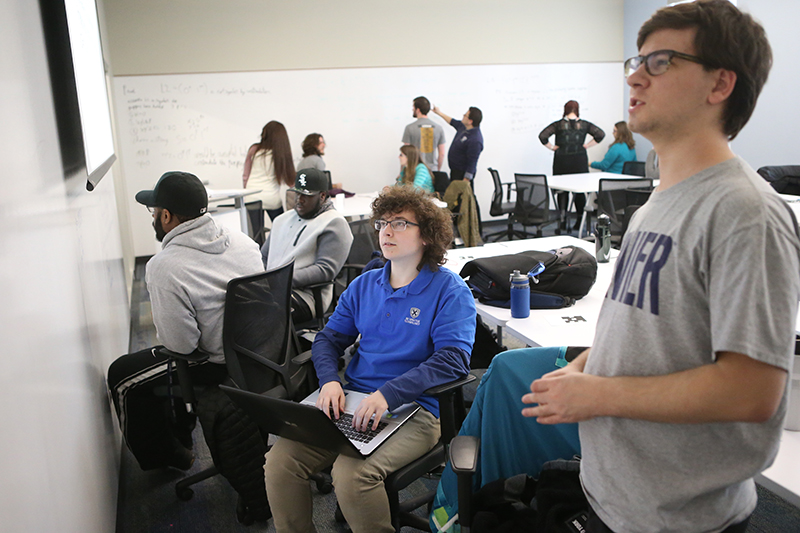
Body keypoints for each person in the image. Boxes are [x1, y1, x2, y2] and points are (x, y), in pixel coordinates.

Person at [522, 2, 800, 533]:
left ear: (719, 84)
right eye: (637, 60)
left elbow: (752, 391)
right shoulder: (656, 204)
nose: (634, 75)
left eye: (660, 62)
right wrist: (581, 371)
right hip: (616, 495)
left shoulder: (745, 211)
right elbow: (646, 331)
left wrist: (597, 393)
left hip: (678, 519)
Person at [264, 186, 476, 533]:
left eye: (401, 224)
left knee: (352, 475)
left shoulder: (449, 291)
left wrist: (388, 395)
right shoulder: (364, 285)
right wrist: (330, 381)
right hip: (352, 400)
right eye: (382, 223)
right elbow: (328, 340)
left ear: (427, 236)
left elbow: (452, 361)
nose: (387, 231)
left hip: (416, 410)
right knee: (280, 462)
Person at [107, 171, 264, 470]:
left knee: (123, 376)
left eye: (153, 211)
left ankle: (168, 457)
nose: (153, 217)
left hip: (217, 363)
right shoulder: (244, 242)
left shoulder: (164, 266)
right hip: (260, 353)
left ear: (166, 216)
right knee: (155, 366)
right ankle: (181, 429)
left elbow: (181, 344)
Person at [261, 168, 353, 324]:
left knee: (260, 311)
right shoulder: (281, 220)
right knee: (236, 301)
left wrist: (282, 280)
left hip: (305, 296)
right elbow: (263, 257)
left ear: (322, 196)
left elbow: (325, 270)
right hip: (271, 288)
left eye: (306, 196)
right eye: (298, 193)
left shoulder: (334, 223)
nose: (299, 199)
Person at [539, 101, 605, 229]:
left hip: (561, 161)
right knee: (579, 192)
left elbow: (543, 136)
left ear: (565, 109)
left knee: (562, 191)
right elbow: (600, 134)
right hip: (579, 161)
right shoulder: (585, 125)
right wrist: (587, 145)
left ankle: (562, 221)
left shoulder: (558, 125)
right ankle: (580, 221)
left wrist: (552, 147)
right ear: (577, 110)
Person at [242, 120, 296, 221]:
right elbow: (290, 181)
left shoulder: (254, 149)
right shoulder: (281, 153)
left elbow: (245, 176)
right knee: (281, 227)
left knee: (255, 232)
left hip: (252, 197)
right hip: (272, 198)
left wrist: (246, 190)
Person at [432, 104, 484, 184]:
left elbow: (472, 163)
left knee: (461, 195)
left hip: (462, 175)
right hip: (455, 172)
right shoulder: (464, 127)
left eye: (465, 115)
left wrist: (465, 181)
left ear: (470, 121)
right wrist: (439, 113)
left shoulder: (475, 140)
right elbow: (452, 121)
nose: (463, 116)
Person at [402, 96, 446, 171]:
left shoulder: (409, 128)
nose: (412, 109)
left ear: (418, 110)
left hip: (415, 170)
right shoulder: (439, 128)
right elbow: (442, 154)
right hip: (432, 170)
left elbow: (406, 153)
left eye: (413, 107)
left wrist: (402, 172)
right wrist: (438, 170)